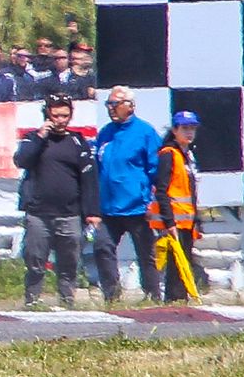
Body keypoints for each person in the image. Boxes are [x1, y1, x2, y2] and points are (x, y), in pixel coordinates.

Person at [13, 93, 100, 310]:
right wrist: (41, 137)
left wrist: (92, 211)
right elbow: (22, 160)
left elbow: (89, 179)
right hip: (38, 214)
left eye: (65, 116)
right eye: (56, 115)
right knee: (35, 260)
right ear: (47, 115)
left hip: (70, 214)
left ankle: (67, 300)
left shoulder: (78, 141)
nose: (61, 120)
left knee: (69, 263)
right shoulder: (33, 139)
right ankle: (32, 301)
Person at [93, 86, 163, 304]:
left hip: (138, 207)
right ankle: (112, 296)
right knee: (102, 247)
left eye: (115, 104)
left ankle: (152, 295)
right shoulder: (105, 133)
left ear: (130, 106)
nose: (111, 109)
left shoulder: (145, 132)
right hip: (109, 207)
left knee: (146, 254)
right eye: (108, 104)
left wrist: (153, 201)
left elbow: (157, 170)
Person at [149, 111, 203, 302]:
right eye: (185, 128)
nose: (189, 132)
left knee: (183, 262)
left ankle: (181, 298)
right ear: (175, 130)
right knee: (173, 265)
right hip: (173, 221)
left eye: (192, 128)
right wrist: (169, 222)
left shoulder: (187, 155)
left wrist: (197, 220)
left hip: (186, 221)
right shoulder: (169, 154)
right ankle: (172, 300)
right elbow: (161, 191)